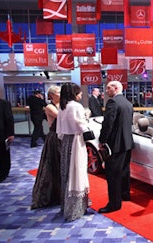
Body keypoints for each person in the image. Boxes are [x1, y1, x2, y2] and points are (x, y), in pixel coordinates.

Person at [98, 81, 134, 213]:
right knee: (124, 171)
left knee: (113, 175)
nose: (106, 90)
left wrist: (102, 140)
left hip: (115, 145)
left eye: (108, 87)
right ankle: (125, 195)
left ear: (116, 88)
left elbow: (108, 124)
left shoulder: (113, 102)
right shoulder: (128, 103)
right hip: (127, 142)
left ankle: (114, 204)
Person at [56, 83, 90, 222]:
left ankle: (66, 205)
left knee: (67, 172)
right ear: (74, 93)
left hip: (66, 141)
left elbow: (59, 130)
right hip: (76, 141)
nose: (81, 95)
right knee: (77, 172)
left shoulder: (62, 107)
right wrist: (87, 117)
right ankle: (75, 209)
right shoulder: (76, 106)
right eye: (79, 92)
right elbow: (82, 126)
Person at [31, 85, 61, 209]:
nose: (61, 94)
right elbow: (62, 118)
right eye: (59, 92)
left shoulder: (64, 106)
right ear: (52, 95)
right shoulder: (50, 107)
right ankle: (53, 195)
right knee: (53, 166)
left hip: (64, 138)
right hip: (55, 139)